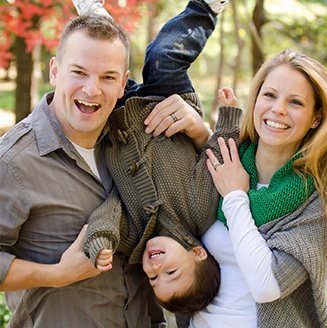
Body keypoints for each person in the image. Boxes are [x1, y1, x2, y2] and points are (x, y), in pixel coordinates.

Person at [0, 1, 226, 327]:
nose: (92, 90)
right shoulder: (14, 162)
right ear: (54, 70)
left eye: (108, 77)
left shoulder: (125, 133)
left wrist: (201, 132)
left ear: (122, 84)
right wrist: (57, 274)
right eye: (78, 72)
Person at [80, 0, 233, 317]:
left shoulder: (135, 234)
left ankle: (94, 15)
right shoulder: (201, 211)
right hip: (168, 104)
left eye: (153, 278)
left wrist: (99, 242)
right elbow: (219, 158)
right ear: (198, 252)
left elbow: (108, 214)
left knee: (109, 66)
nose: (156, 267)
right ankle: (205, 8)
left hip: (122, 118)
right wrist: (228, 122)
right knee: (161, 57)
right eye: (171, 272)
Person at [190, 49, 327, 327]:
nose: (278, 109)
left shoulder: (318, 200)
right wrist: (196, 132)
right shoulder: (226, 161)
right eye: (270, 95)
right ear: (255, 101)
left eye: (296, 102)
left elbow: (266, 285)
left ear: (316, 118)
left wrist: (236, 197)